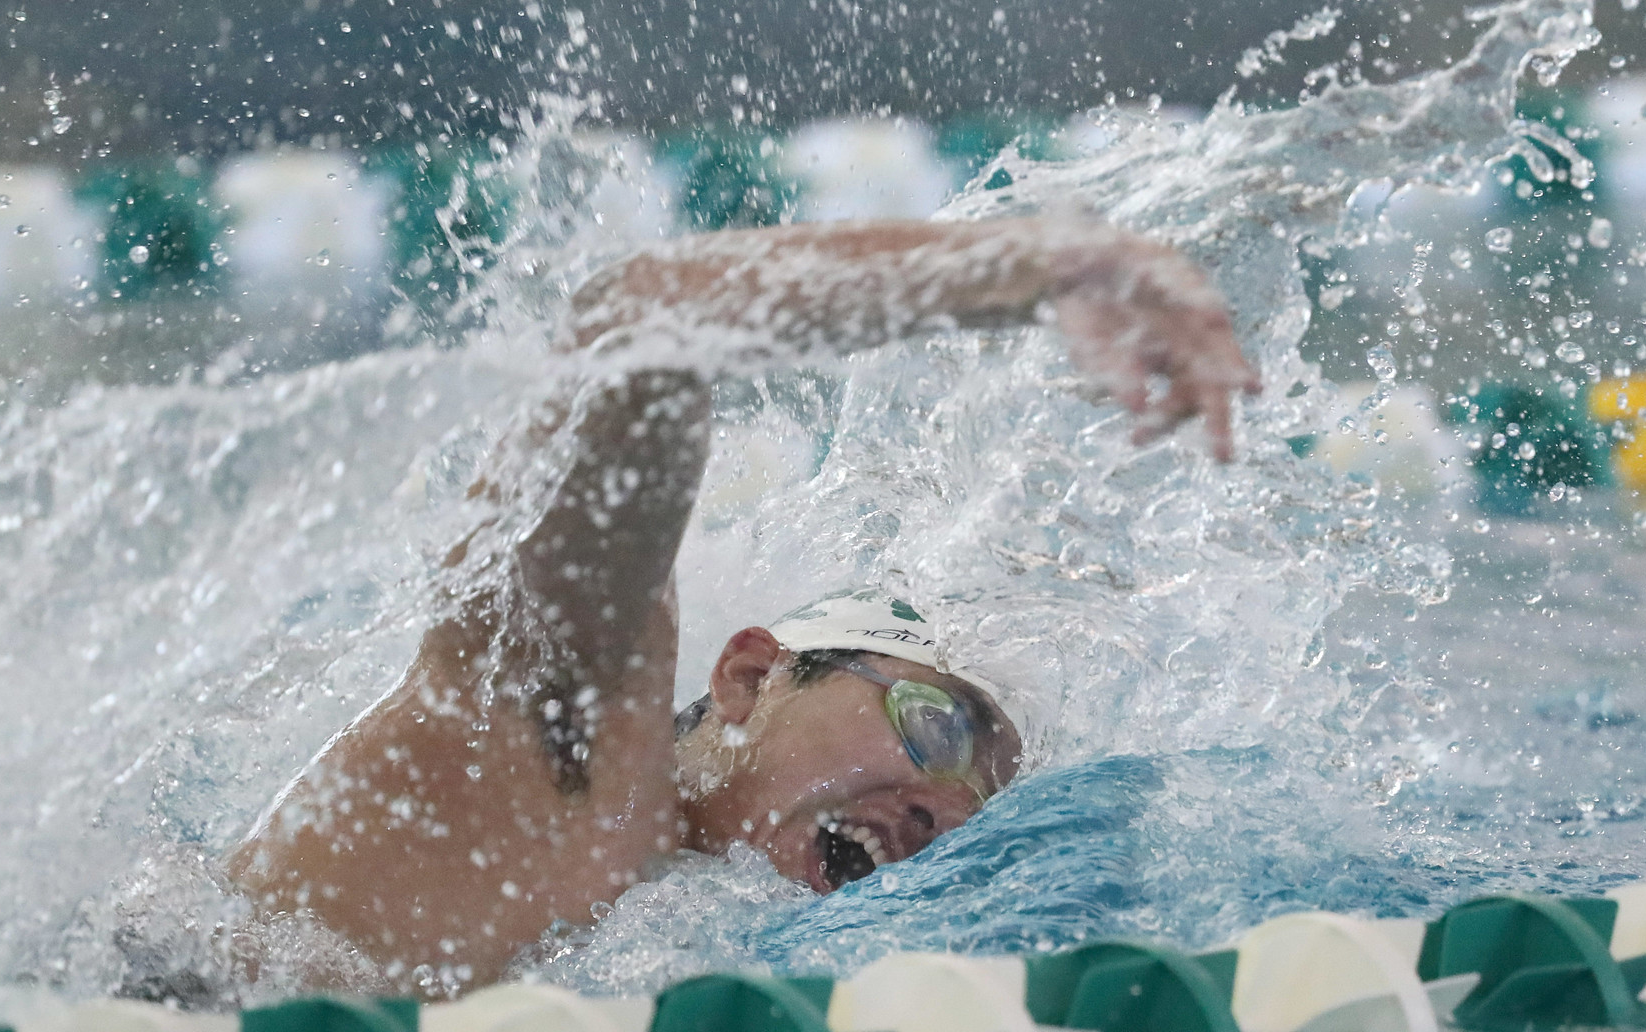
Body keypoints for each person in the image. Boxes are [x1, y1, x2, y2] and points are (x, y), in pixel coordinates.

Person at [227, 216, 1259, 992]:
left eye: (977, 805)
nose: (940, 812)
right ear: (749, 676)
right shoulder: (552, 752)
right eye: (934, 724)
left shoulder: (708, 944)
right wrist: (1047, 266)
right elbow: (636, 325)